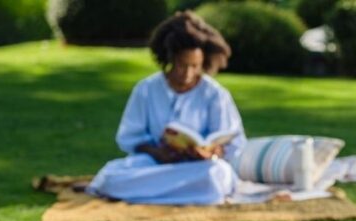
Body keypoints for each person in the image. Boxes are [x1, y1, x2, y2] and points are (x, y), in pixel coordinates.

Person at [87, 12, 246, 205]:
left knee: (217, 176)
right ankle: (186, 194)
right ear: (169, 58)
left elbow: (232, 141)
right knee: (110, 176)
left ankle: (148, 193)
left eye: (195, 66)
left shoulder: (215, 94)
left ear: (204, 62)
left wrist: (212, 151)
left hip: (200, 169)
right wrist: (157, 152)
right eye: (182, 65)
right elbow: (130, 137)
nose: (188, 74)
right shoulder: (146, 89)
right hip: (155, 164)